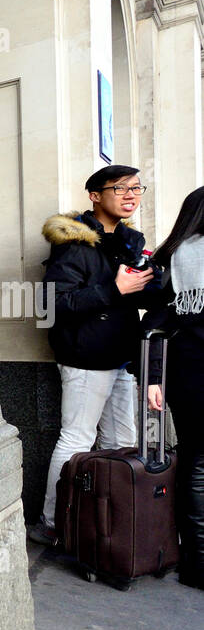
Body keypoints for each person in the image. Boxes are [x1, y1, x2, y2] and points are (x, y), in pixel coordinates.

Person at [31, 165, 158, 546]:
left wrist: (156, 282)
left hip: (123, 356)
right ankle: (52, 522)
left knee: (122, 441)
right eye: (120, 188)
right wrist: (115, 288)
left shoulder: (131, 241)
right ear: (95, 195)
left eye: (136, 188)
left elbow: (138, 296)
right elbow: (53, 303)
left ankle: (103, 523)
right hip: (85, 356)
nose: (130, 195)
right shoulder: (74, 243)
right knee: (76, 440)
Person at [138, 186, 204, 590]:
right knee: (197, 463)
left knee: (197, 461)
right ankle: (197, 562)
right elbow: (155, 325)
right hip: (192, 372)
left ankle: (196, 562)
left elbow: (156, 323)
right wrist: (153, 379)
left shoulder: (177, 259)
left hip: (189, 371)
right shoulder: (176, 261)